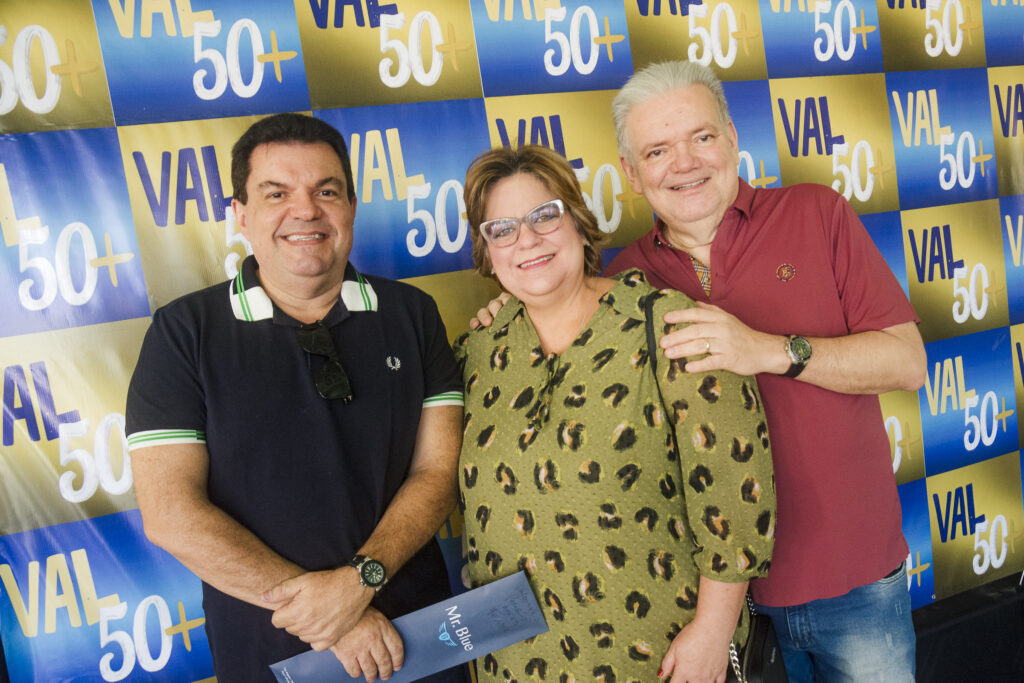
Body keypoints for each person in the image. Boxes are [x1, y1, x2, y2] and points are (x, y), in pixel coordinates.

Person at [475, 61, 927, 681]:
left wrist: (768, 350)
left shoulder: (816, 214)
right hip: (709, 599)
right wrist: (515, 299)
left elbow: (906, 361)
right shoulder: (631, 279)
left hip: (851, 578)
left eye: (702, 137)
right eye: (658, 150)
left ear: (734, 138)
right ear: (632, 174)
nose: (683, 163)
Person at [125, 113, 464, 683]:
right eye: (276, 193)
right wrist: (330, 617)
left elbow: (437, 472)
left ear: (351, 205)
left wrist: (359, 583)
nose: (305, 210)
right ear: (240, 213)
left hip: (416, 637)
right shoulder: (183, 332)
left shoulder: (413, 314)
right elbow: (170, 514)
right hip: (271, 651)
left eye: (325, 191)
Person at [456, 144, 775, 682]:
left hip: (656, 655)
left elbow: (737, 492)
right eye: (502, 229)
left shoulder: (669, 324)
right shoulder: (479, 352)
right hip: (515, 664)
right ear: (488, 253)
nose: (527, 239)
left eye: (543, 216)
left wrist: (714, 632)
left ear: (580, 224)